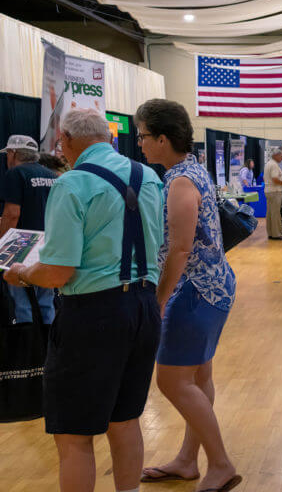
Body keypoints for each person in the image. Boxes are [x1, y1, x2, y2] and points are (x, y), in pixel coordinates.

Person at [3, 108, 164, 492]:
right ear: (109, 139)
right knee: (125, 421)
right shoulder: (149, 177)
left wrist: (22, 273)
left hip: (93, 314)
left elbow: (59, 272)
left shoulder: (72, 184)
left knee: (74, 432)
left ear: (68, 141)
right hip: (144, 306)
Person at [134, 99, 241, 492]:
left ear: (163, 138)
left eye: (143, 135)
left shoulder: (180, 181)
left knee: (172, 382)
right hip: (214, 285)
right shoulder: (193, 170)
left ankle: (221, 463)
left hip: (196, 291)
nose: (140, 143)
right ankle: (187, 458)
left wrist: (160, 300)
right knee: (198, 375)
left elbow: (179, 249)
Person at [0, 135, 58, 324]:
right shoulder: (51, 176)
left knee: (21, 302)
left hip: (20, 246)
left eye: (7, 153)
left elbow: (12, 213)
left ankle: (26, 348)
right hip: (48, 246)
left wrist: (1, 244)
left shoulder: (16, 174)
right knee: (46, 301)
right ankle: (47, 346)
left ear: (13, 153)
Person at [264, 147, 282, 240]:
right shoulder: (274, 165)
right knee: (276, 214)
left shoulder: (268, 164)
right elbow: (275, 179)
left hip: (269, 191)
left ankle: (271, 232)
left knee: (270, 213)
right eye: (281, 155)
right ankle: (277, 234)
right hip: (275, 191)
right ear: (276, 155)